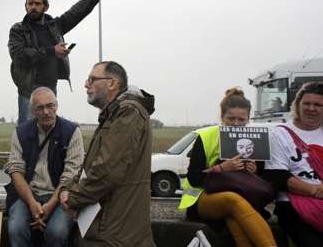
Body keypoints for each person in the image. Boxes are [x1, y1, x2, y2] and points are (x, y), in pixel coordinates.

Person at [58, 61, 155, 247]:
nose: (86, 85)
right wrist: (68, 188)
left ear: (112, 83)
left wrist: (72, 197)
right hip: (107, 228)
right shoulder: (113, 115)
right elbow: (91, 165)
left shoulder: (128, 112)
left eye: (92, 79)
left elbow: (107, 169)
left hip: (114, 233)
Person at [178, 88, 277, 247]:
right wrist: (222, 169)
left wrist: (254, 172)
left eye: (241, 119)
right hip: (203, 198)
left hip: (242, 200)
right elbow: (193, 178)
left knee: (234, 217)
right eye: (231, 118)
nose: (236, 123)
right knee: (233, 201)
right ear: (222, 117)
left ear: (248, 119)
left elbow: (265, 180)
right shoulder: (206, 136)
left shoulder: (255, 139)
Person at [8, 0, 112, 126]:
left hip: (51, 88)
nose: (33, 7)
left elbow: (77, 11)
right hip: (28, 91)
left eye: (37, 4)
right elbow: (19, 56)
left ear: (45, 7)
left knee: (49, 130)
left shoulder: (54, 26)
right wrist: (52, 51)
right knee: (27, 134)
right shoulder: (18, 29)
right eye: (30, 4)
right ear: (25, 6)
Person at [4, 87, 84, 247]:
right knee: (16, 228)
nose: (46, 111)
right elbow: (16, 171)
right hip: (28, 194)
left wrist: (50, 206)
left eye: (50, 105)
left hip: (60, 195)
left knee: (56, 232)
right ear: (33, 111)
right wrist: (33, 203)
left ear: (57, 105)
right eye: (40, 108)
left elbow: (71, 175)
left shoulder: (72, 131)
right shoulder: (20, 132)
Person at [263, 82, 323, 246]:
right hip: (292, 205)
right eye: (306, 103)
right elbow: (277, 176)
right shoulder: (280, 133)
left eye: (318, 104)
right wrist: (315, 191)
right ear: (297, 105)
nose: (311, 108)